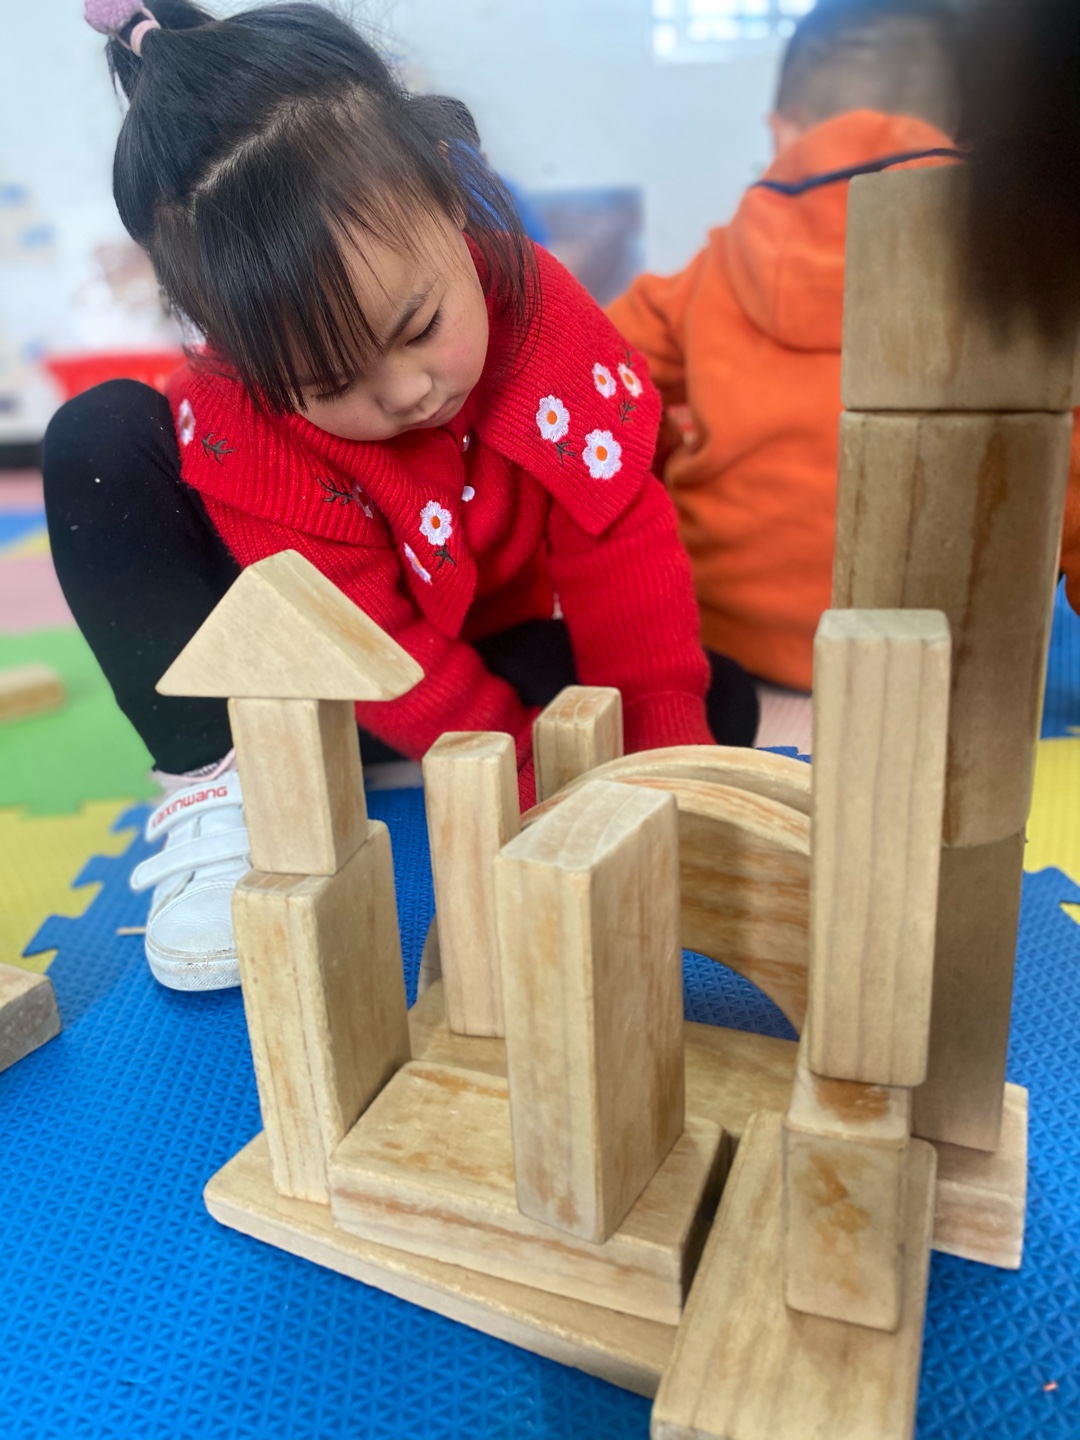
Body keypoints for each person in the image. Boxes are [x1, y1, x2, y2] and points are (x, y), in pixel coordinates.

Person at [45, 1, 759, 993]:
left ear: (451, 197)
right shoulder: (246, 413)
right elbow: (360, 631)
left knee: (712, 697)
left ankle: (391, 756)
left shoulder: (538, 310)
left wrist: (658, 751)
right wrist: (512, 786)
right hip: (306, 652)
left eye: (419, 327)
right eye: (332, 383)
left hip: (445, 648)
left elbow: (616, 529)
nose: (409, 391)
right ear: (233, 350)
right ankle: (218, 787)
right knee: (100, 437)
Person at [607, 0, 963, 694]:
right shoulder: (1002, 276)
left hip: (726, 638)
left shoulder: (713, 272)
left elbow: (587, 373)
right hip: (932, 655)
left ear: (782, 131)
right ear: (955, 139)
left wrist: (668, 457)